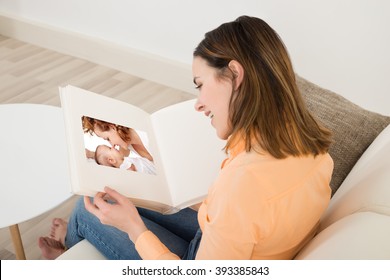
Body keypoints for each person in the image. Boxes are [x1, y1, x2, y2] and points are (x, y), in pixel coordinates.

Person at [39, 15, 333, 260]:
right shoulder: (311, 145)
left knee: (86, 206)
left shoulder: (243, 184)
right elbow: (243, 217)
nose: (199, 103)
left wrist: (134, 229)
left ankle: (68, 246)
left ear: (235, 74)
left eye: (201, 84)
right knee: (115, 191)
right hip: (229, 237)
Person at [82, 116, 154, 162]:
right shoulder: (127, 144)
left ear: (113, 127)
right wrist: (92, 154)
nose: (112, 145)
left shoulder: (148, 134)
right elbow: (118, 157)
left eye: (108, 139)